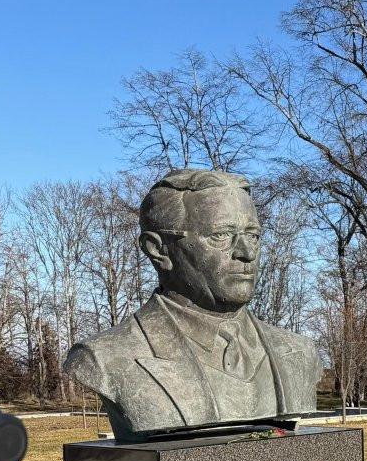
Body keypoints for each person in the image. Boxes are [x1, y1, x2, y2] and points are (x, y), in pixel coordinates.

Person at [65, 169, 320, 440]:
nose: (246, 253)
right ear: (158, 249)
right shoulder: (106, 357)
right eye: (221, 235)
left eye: (253, 236)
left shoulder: (300, 352)